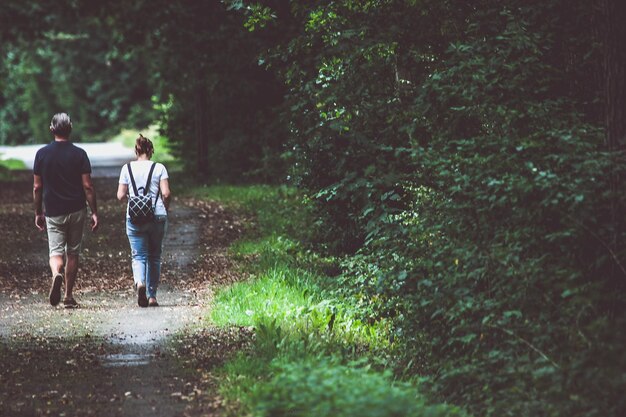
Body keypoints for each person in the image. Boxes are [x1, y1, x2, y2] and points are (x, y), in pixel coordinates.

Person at [33, 113, 99, 308]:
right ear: (70, 129)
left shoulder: (42, 154)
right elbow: (88, 186)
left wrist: (38, 212)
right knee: (73, 253)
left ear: (52, 129)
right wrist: (94, 211)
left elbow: (37, 187)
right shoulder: (79, 154)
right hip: (77, 209)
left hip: (53, 211)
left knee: (55, 253)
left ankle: (57, 274)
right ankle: (68, 296)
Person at [117, 134, 170, 307]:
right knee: (154, 256)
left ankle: (140, 283)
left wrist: (134, 200)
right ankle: (152, 295)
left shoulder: (127, 168)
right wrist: (164, 208)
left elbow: (120, 195)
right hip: (157, 215)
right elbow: (166, 193)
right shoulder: (159, 167)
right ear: (151, 150)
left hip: (134, 217)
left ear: (136, 151)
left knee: (138, 255)